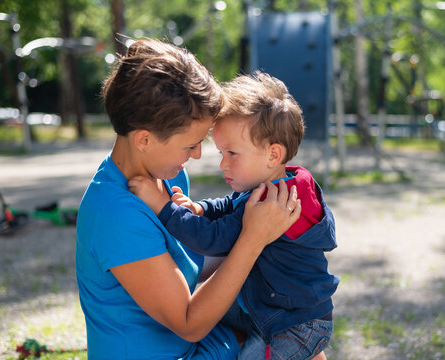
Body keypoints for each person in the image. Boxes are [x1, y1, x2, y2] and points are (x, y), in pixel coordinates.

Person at [75, 39, 301, 360]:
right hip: (172, 348)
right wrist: (252, 239)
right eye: (189, 145)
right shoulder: (116, 214)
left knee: (294, 334)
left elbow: (194, 260)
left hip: (192, 345)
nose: (196, 154)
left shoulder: (167, 175)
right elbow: (189, 322)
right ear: (144, 139)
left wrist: (275, 236)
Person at [129, 71, 339, 360]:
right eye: (221, 153)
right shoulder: (284, 181)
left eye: (232, 153)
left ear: (273, 155)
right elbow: (232, 204)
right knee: (212, 309)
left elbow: (211, 239)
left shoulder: (271, 201)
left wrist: (162, 206)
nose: (222, 164)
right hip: (273, 306)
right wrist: (202, 208)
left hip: (293, 326)